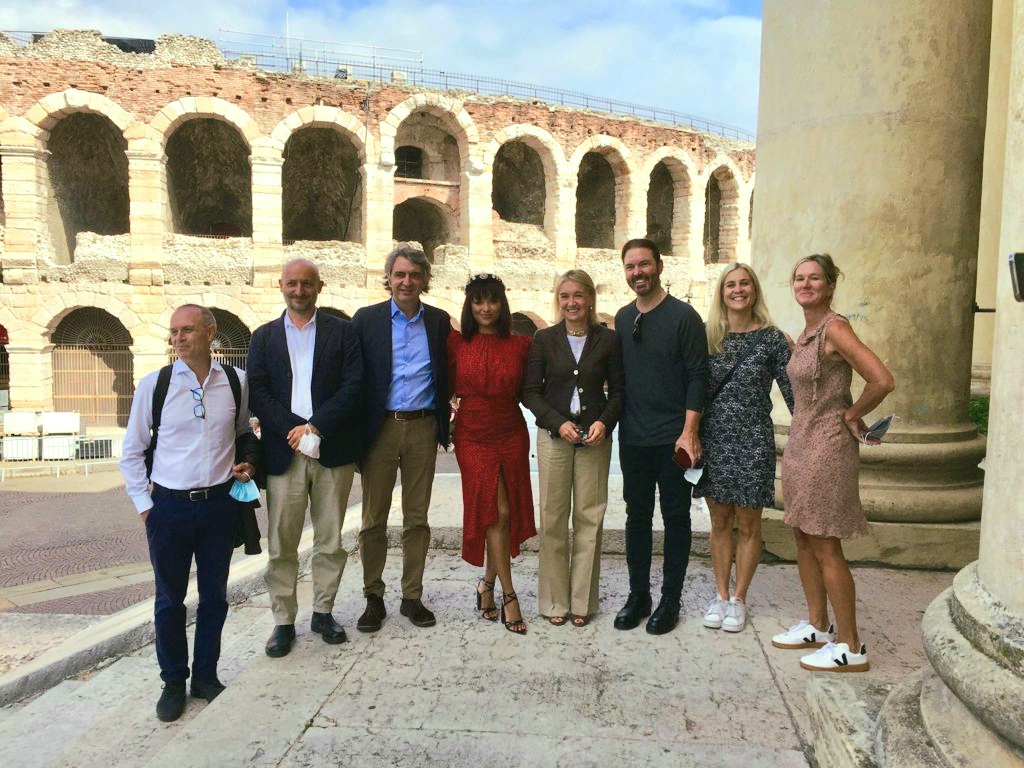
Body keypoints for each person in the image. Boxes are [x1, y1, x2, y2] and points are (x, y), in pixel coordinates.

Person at [120, 304, 258, 722]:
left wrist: (248, 462)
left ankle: (205, 676)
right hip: (169, 509)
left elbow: (243, 433)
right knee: (170, 600)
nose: (178, 338)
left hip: (218, 506)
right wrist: (146, 507)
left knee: (215, 597)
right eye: (174, 331)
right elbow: (132, 452)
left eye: (187, 330)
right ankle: (173, 681)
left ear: (210, 333)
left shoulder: (235, 381)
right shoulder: (155, 385)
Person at [774, 254, 894, 672]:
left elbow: (882, 380)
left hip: (826, 447)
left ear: (830, 285)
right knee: (803, 535)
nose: (805, 284)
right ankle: (817, 624)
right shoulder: (808, 332)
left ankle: (851, 645)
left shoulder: (835, 328)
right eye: (799, 278)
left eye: (815, 278)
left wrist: (851, 414)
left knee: (825, 543)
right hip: (801, 443)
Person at [247, 259, 363, 658]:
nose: (299, 290)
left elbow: (354, 385)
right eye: (292, 283)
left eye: (307, 284)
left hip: (332, 448)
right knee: (282, 542)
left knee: (330, 539)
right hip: (284, 452)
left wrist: (316, 426)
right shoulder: (263, 337)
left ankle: (323, 612)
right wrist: (293, 429)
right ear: (280, 286)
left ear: (319, 286)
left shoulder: (343, 332)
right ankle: (283, 621)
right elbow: (258, 390)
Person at [352, 245, 451, 632]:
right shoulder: (366, 320)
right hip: (380, 427)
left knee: (417, 518)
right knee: (373, 518)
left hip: (423, 426)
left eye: (414, 275)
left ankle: (412, 596)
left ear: (424, 279)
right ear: (389, 279)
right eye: (399, 274)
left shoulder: (439, 322)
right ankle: (373, 597)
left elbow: (450, 371)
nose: (406, 281)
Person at [613, 238, 709, 635]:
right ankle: (639, 595)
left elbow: (698, 376)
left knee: (675, 518)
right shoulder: (622, 318)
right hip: (634, 437)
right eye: (631, 266)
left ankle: (671, 599)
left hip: (674, 439)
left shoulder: (684, 317)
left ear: (659, 266)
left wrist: (690, 433)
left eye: (644, 264)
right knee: (636, 517)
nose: (638, 272)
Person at [693, 263, 794, 634]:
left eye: (744, 284)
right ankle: (720, 595)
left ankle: (739, 598)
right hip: (714, 439)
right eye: (730, 285)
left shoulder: (772, 339)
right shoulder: (707, 336)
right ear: (721, 293)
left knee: (749, 523)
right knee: (719, 522)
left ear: (754, 290)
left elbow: (794, 393)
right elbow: (690, 388)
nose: (738, 290)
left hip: (753, 440)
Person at [523, 269, 624, 627]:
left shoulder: (608, 340)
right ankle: (554, 601)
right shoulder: (544, 339)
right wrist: (557, 422)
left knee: (589, 518)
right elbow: (530, 392)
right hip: (555, 438)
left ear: (591, 299)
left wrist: (604, 423)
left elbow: (619, 391)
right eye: (565, 296)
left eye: (578, 295)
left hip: (594, 437)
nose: (571, 303)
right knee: (552, 517)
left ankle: (582, 600)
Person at [449, 273, 535, 634]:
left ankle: (486, 585)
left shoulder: (521, 345)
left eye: (492, 300)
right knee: (498, 510)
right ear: (469, 305)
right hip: (472, 433)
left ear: (503, 304)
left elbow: (534, 389)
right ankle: (509, 596)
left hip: (511, 431)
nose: (486, 308)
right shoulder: (454, 343)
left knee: (500, 512)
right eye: (478, 301)